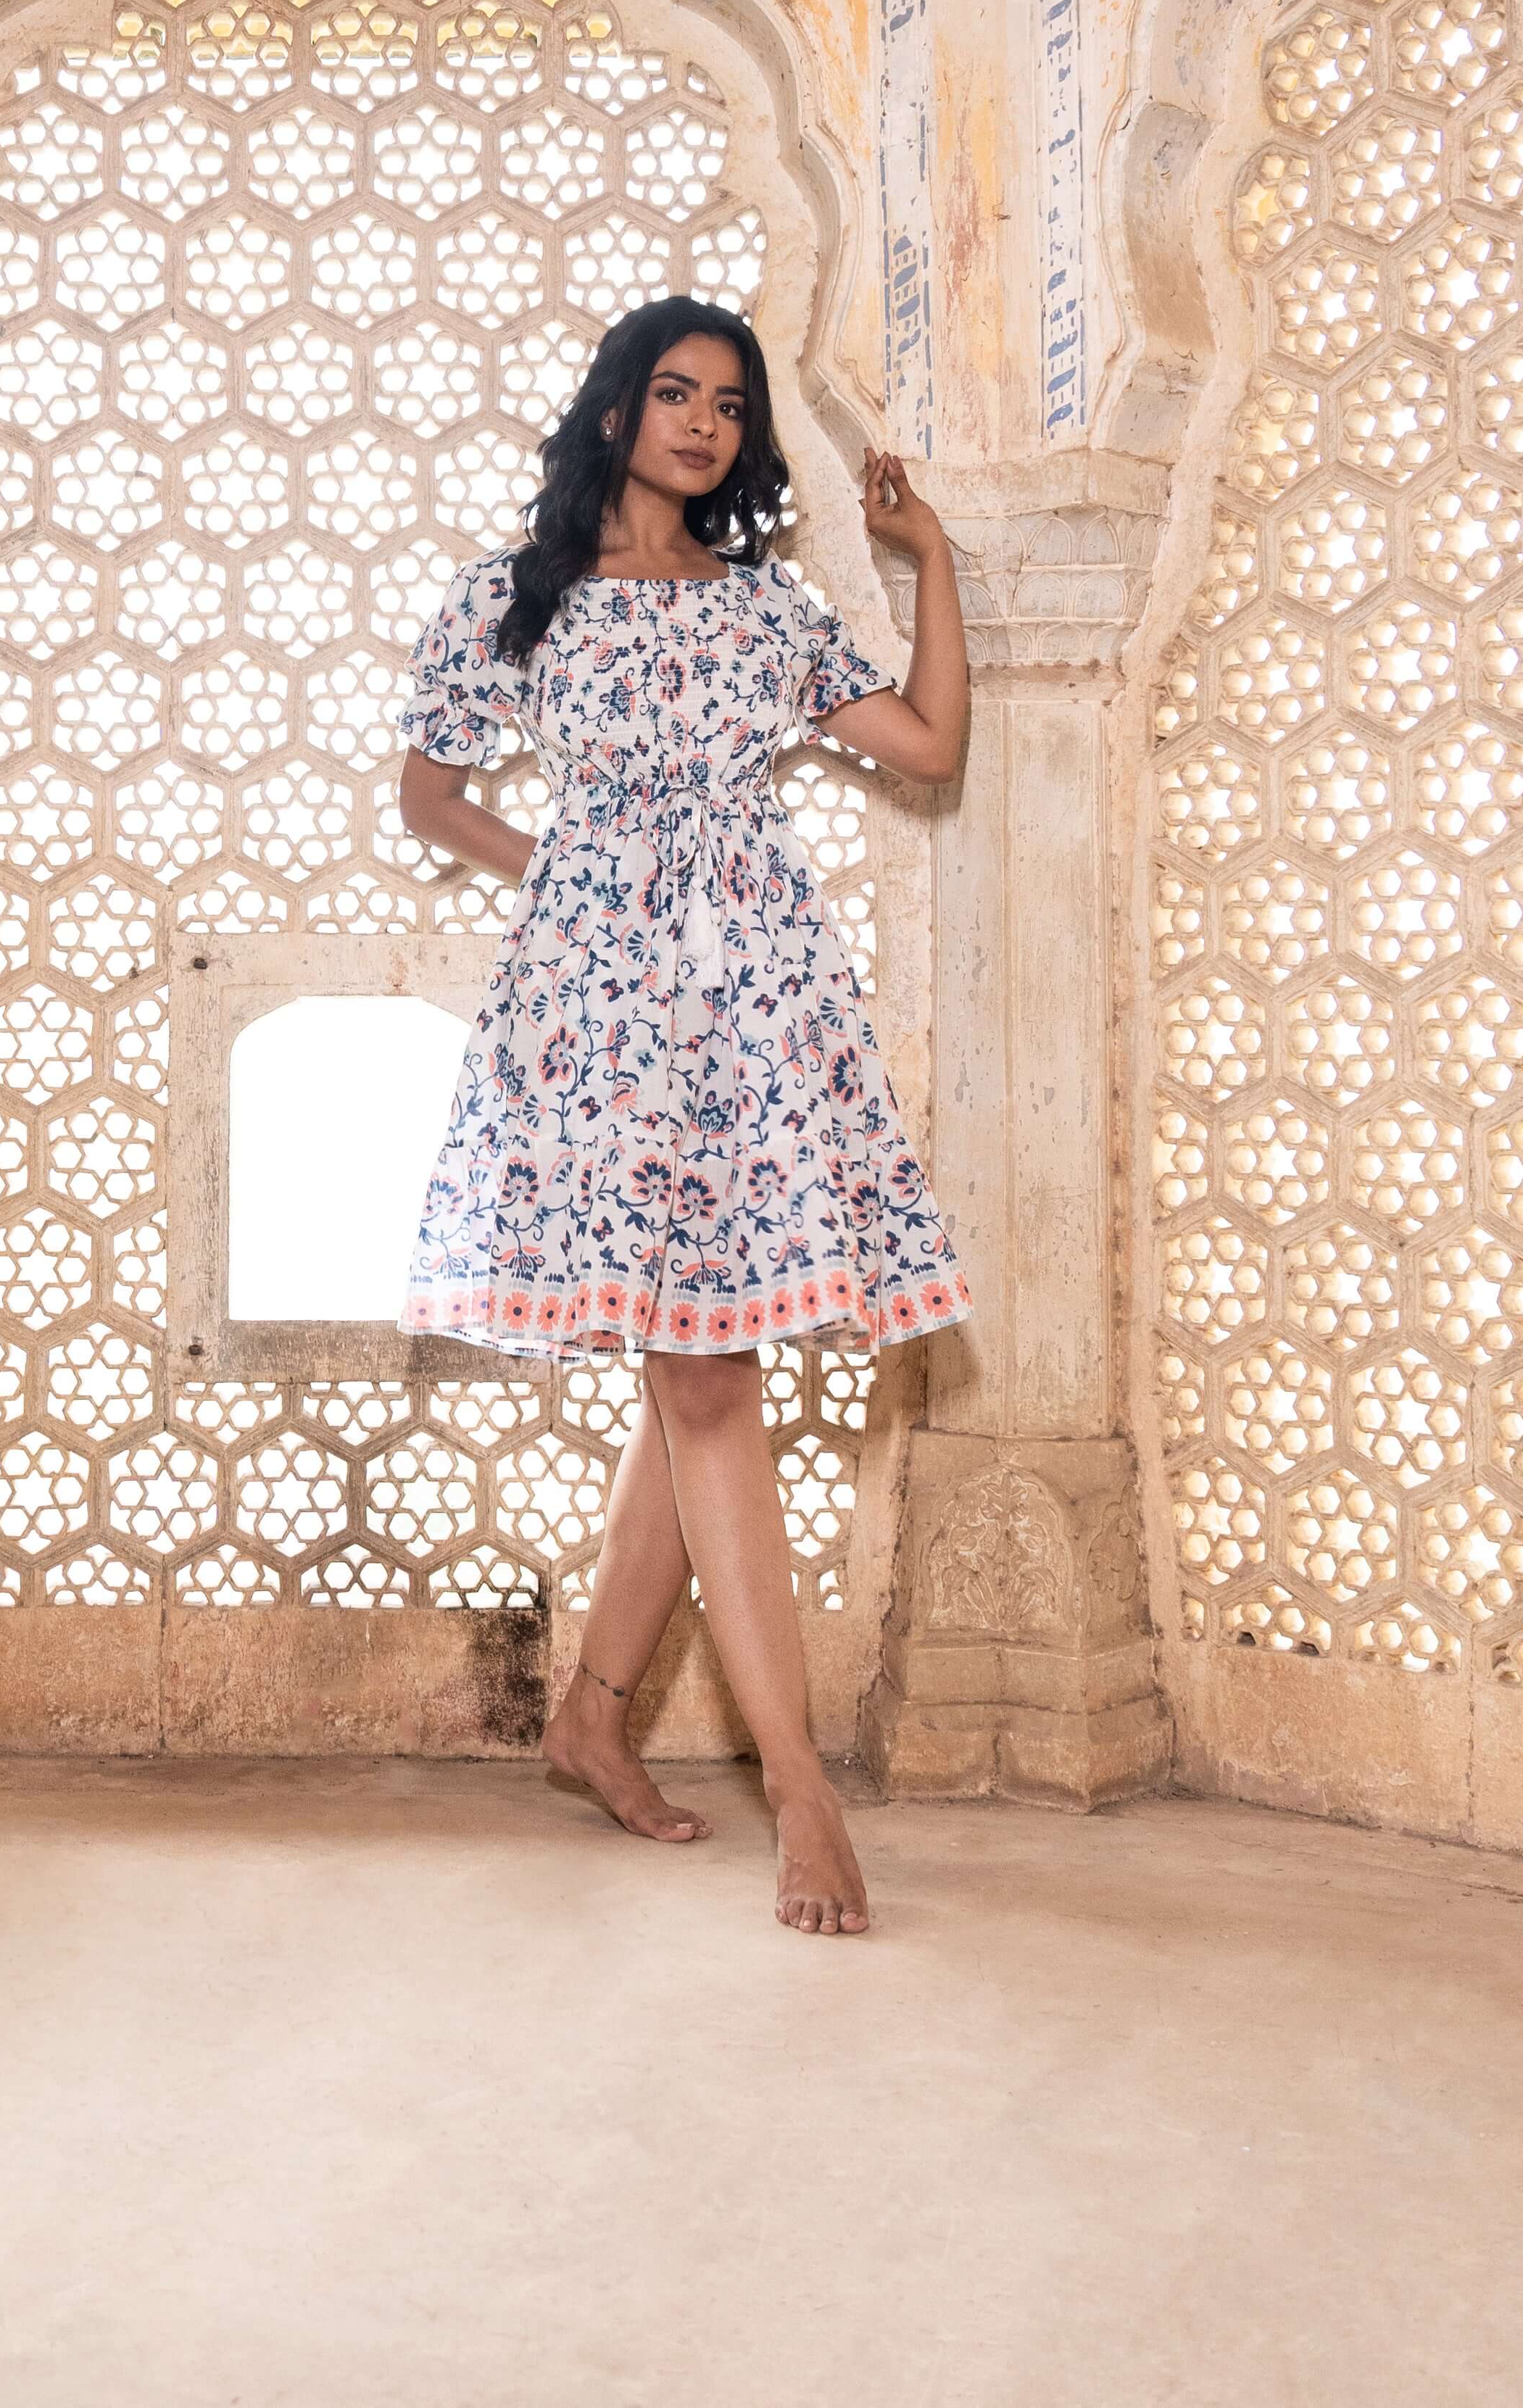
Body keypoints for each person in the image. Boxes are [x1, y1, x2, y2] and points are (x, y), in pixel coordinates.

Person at [395, 296, 971, 1936]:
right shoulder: (521, 597)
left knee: (701, 1361)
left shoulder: (767, 609)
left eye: (730, 403)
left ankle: (592, 1712)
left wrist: (935, 566)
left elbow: (927, 747)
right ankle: (804, 1788)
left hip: (760, 1001)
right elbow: (432, 790)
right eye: (675, 393)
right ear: (616, 411)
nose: (706, 423)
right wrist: (569, 883)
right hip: (605, 1018)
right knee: (705, 1373)